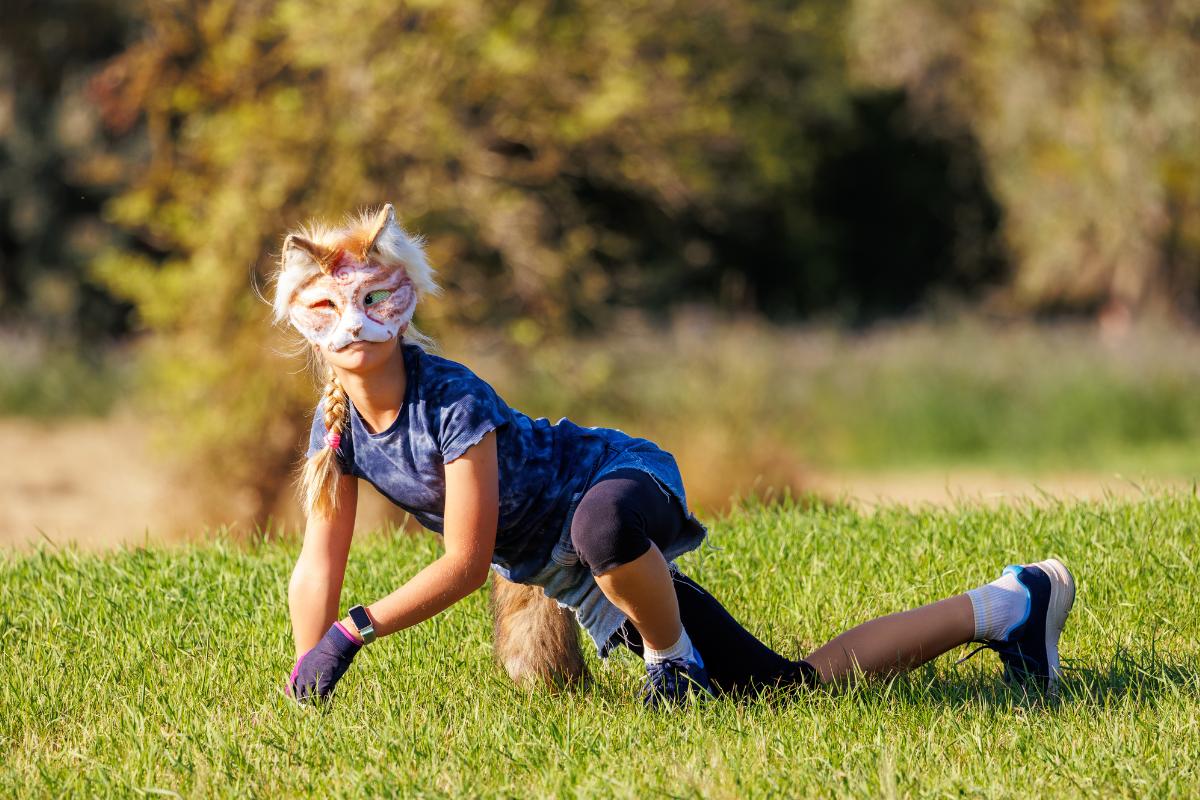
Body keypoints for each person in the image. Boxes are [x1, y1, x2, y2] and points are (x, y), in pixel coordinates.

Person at [277, 205, 1076, 707]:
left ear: (404, 301)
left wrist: (352, 633)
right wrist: (307, 669)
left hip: (619, 483)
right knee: (784, 690)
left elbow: (464, 560)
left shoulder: (453, 400)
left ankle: (672, 664)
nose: (354, 324)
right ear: (302, 322)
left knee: (599, 528)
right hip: (570, 572)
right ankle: (1010, 605)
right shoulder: (337, 428)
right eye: (328, 309)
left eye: (374, 299)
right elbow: (320, 559)